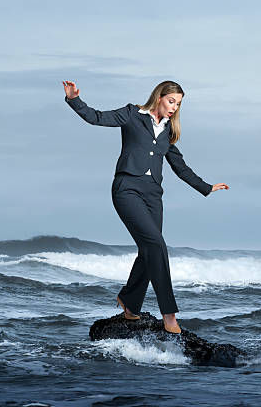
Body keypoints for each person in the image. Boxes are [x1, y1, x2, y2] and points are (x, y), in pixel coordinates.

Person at [62, 80, 229, 334]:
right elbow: (96, 118)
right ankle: (169, 314)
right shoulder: (132, 114)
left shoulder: (167, 133)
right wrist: (74, 100)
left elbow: (180, 167)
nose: (174, 108)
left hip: (153, 196)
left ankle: (130, 304)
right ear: (159, 97)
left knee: (148, 251)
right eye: (171, 101)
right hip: (127, 188)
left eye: (179, 104)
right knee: (157, 245)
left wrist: (206, 187)